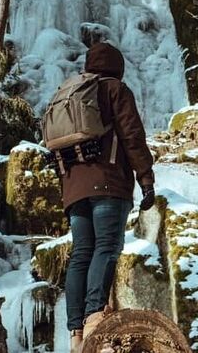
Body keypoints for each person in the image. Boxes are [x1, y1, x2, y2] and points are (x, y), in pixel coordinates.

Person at [61, 42, 156, 352]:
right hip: (109, 183)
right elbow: (131, 135)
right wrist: (145, 178)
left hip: (74, 189)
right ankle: (94, 317)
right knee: (107, 246)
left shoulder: (72, 91)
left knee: (81, 253)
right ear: (117, 65)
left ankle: (75, 333)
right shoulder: (116, 89)